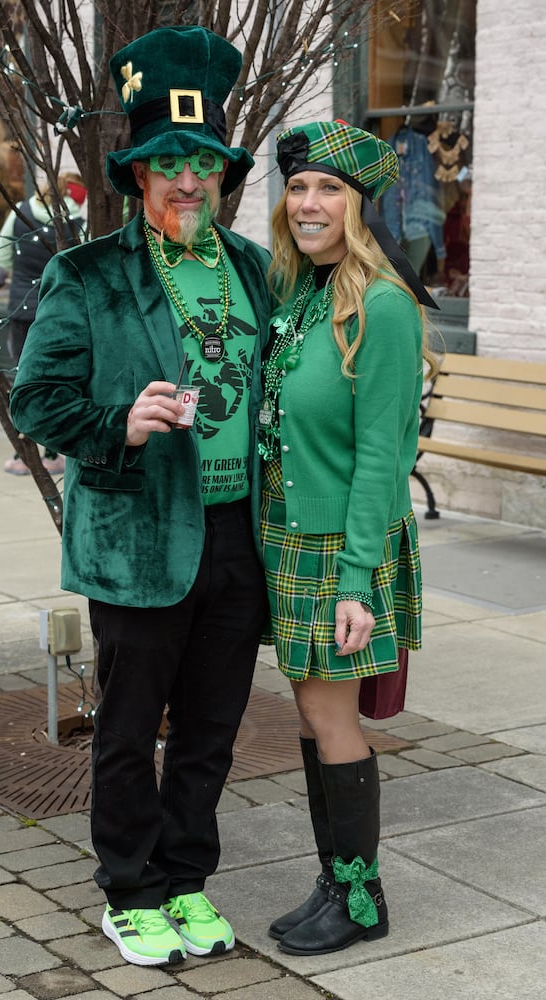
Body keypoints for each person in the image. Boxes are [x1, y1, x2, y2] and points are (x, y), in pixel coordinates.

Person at [9, 25, 271, 968]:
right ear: (137, 174)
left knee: (212, 727)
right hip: (140, 534)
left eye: (203, 162)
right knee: (127, 731)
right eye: (169, 163)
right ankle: (130, 888)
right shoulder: (89, 275)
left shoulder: (249, 267)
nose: (188, 182)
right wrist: (117, 421)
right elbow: (35, 398)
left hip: (239, 533)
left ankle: (188, 877)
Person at [258, 120, 439, 957]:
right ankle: (336, 879)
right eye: (298, 188)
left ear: (362, 206)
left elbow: (383, 457)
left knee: (334, 719)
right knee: (308, 709)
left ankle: (363, 899)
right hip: (289, 538)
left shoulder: (385, 307)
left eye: (330, 189)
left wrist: (357, 578)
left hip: (340, 547)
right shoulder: (300, 293)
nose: (309, 203)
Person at [0, 171, 87, 475]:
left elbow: (2, 258)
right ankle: (52, 451)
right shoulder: (75, 221)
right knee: (58, 379)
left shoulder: (19, 213)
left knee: (24, 378)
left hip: (22, 307)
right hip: (60, 310)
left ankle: (22, 453)